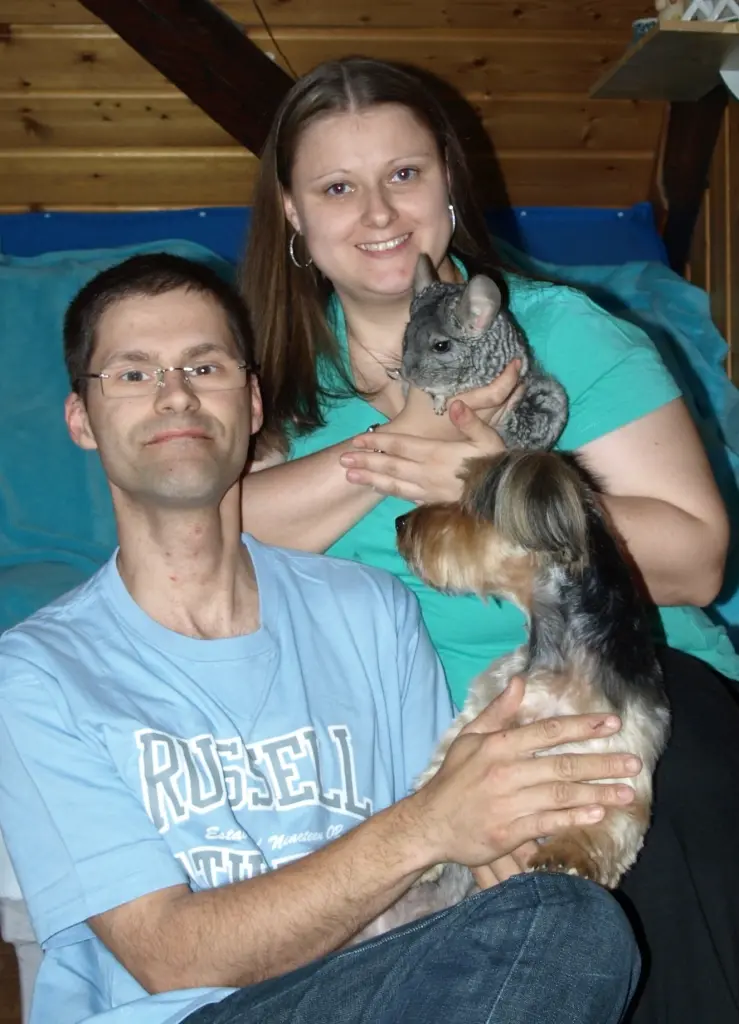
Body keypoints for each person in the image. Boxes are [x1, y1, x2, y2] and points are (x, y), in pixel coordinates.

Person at [0, 253, 642, 1024]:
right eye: (133, 375)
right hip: (186, 1015)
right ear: (81, 419)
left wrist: (502, 852)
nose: (175, 393)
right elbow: (166, 955)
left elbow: (447, 869)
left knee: (569, 923)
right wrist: (431, 823)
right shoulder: (36, 674)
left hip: (377, 993)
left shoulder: (370, 611)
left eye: (204, 366)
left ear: (252, 399)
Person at [240, 57, 739, 1022]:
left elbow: (693, 558)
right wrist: (412, 441)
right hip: (427, 757)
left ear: (448, 183)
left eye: (404, 175)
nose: (379, 214)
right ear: (292, 215)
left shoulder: (565, 336)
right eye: (337, 187)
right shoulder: (274, 390)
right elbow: (212, 539)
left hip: (628, 690)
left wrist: (492, 485)